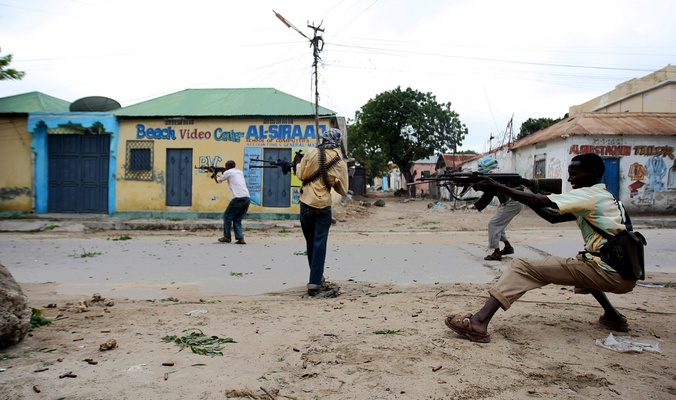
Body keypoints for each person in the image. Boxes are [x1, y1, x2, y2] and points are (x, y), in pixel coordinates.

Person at [445, 153, 637, 343]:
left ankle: (478, 322)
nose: (570, 178)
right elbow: (552, 217)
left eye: (575, 173)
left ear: (593, 173)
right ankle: (613, 317)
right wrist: (520, 192)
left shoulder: (589, 195)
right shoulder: (607, 197)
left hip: (608, 272)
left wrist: (499, 186)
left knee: (522, 267)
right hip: (625, 274)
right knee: (582, 262)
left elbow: (540, 201)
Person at [295, 128, 349, 297]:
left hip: (306, 203)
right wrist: (331, 181)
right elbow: (343, 190)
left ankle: (315, 279)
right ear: (338, 141)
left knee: (310, 242)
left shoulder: (311, 152)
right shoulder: (340, 162)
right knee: (320, 243)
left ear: (324, 139)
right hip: (323, 205)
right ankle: (315, 281)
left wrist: (297, 164)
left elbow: (301, 176)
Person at [477, 156, 524, 261]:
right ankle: (508, 247)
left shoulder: (492, 175)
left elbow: (488, 189)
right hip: (514, 202)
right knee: (499, 225)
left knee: (493, 224)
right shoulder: (495, 174)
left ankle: (496, 252)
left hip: (513, 202)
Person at [214, 160, 250, 245]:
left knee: (227, 216)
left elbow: (218, 181)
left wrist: (214, 173)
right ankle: (240, 238)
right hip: (247, 198)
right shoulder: (239, 172)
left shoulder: (228, 172)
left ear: (228, 166)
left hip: (238, 198)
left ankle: (227, 237)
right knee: (237, 219)